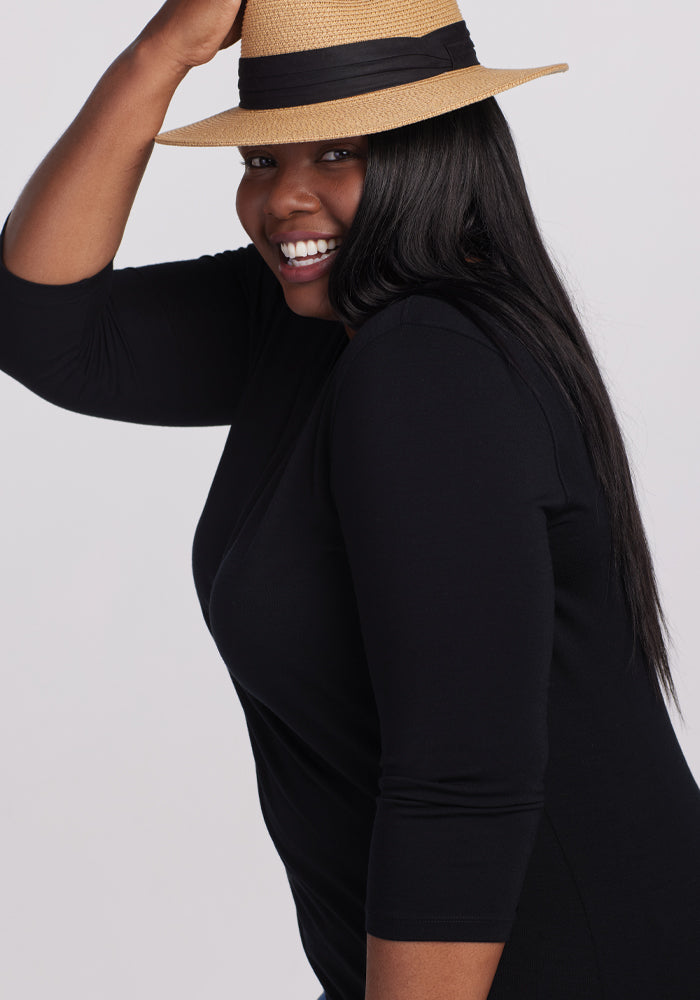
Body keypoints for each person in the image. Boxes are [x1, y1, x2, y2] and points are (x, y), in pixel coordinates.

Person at [1, 0, 699, 998]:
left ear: (438, 156)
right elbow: (45, 329)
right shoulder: (315, 324)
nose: (284, 200)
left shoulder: (428, 362)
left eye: (335, 153)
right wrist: (168, 47)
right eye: (259, 161)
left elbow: (461, 785)